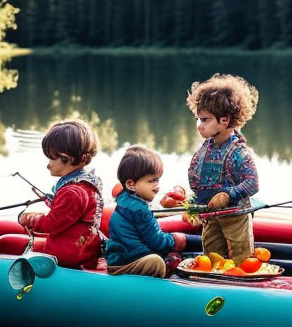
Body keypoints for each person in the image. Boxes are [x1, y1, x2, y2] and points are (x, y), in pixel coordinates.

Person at [0, 119, 104, 269]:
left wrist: (30, 219)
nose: (48, 164)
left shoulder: (73, 192)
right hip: (82, 248)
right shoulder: (87, 183)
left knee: (4, 243)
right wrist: (52, 201)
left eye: (51, 158)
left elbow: (52, 225)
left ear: (67, 159)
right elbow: (70, 215)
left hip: (68, 254)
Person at [186, 73, 259, 264]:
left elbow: (253, 183)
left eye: (205, 120)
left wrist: (228, 195)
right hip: (210, 216)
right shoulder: (206, 147)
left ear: (224, 120)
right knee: (210, 256)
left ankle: (241, 288)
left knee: (241, 258)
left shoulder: (238, 152)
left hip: (234, 216)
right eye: (198, 119)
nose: (199, 126)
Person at [103, 146, 187, 277]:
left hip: (119, 258)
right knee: (156, 261)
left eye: (157, 179)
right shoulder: (139, 209)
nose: (157, 186)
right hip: (129, 262)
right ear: (131, 184)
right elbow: (156, 241)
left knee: (169, 256)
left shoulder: (124, 200)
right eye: (151, 181)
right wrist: (175, 240)